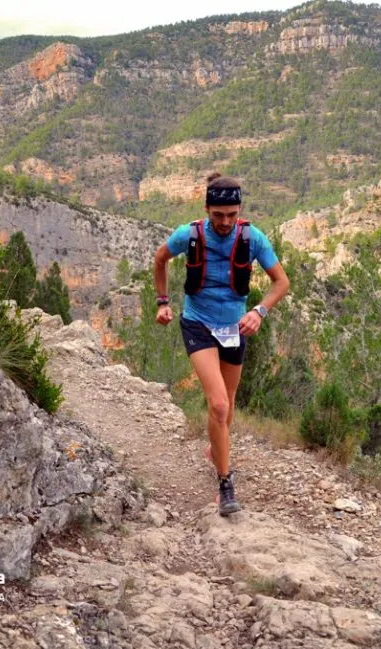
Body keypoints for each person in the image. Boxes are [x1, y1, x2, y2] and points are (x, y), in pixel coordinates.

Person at [153, 172, 290, 515]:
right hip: (197, 323)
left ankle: (217, 449)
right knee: (217, 405)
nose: (226, 222)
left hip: (234, 328)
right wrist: (162, 301)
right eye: (218, 215)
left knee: (228, 405)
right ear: (207, 210)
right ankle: (226, 484)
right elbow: (159, 260)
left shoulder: (253, 238)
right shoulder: (189, 235)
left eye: (232, 215)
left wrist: (259, 312)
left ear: (239, 211)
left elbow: (281, 283)